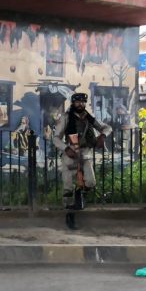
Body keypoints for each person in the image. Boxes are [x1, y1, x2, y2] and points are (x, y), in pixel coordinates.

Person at [53, 92, 112, 230]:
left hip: (85, 155)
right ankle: (70, 216)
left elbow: (107, 128)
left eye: (83, 102)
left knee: (90, 182)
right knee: (68, 189)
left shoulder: (89, 118)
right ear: (73, 103)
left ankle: (79, 195)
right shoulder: (66, 118)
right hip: (70, 156)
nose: (81, 104)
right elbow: (56, 138)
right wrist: (66, 148)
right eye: (78, 102)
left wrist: (103, 136)